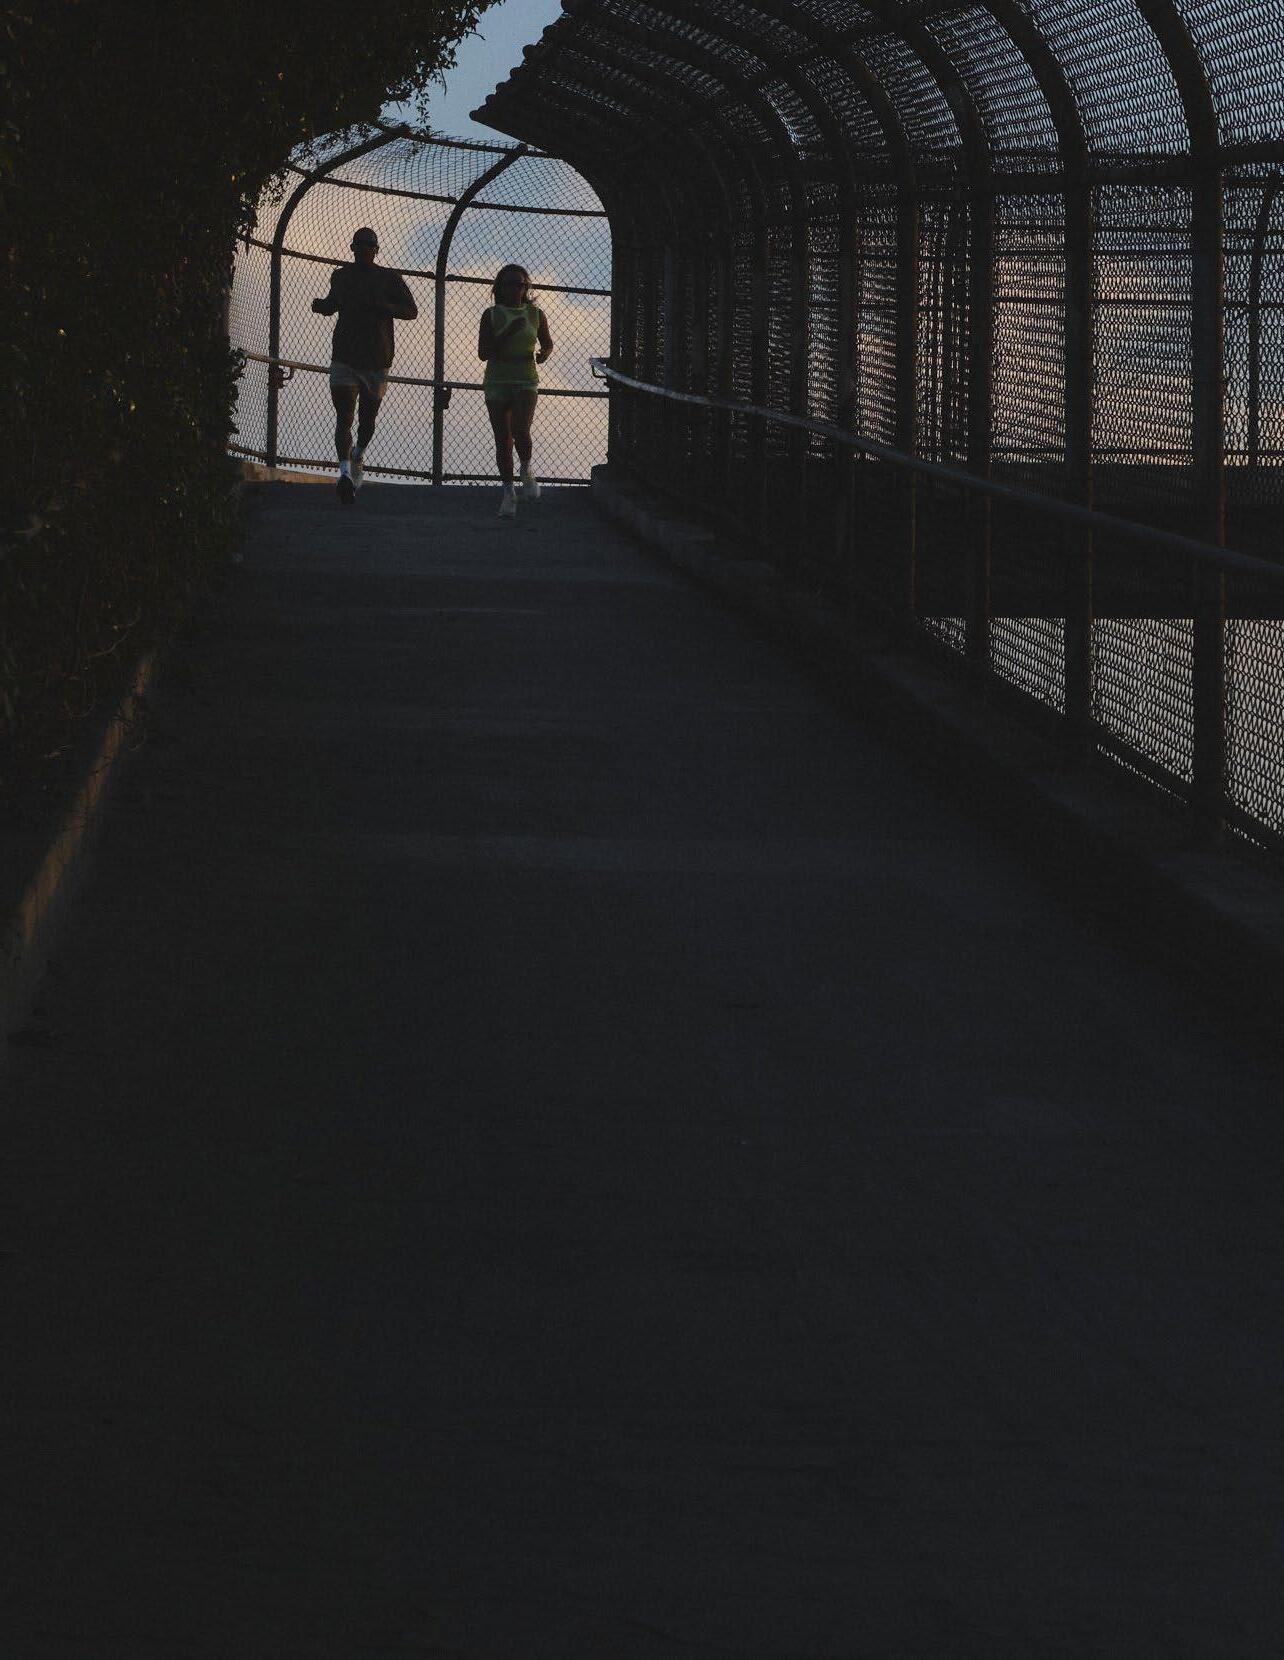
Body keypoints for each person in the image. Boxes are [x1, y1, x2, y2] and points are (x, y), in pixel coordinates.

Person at [311, 227, 417, 505]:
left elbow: (411, 311)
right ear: (352, 248)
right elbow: (333, 303)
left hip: (376, 359)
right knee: (344, 416)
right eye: (359, 245)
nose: (364, 249)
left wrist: (382, 305)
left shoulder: (389, 278)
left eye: (369, 245)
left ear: (376, 250)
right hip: (345, 356)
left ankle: (358, 453)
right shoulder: (341, 276)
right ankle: (345, 474)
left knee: (367, 420)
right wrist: (322, 305)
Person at [478, 264, 553, 518]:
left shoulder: (536, 314)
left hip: (525, 379)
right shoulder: (491, 315)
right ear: (500, 287)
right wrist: (507, 333)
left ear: (526, 288)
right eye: (509, 284)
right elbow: (483, 352)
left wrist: (544, 353)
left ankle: (526, 469)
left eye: (520, 285)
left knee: (521, 429)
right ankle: (508, 492)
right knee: (503, 440)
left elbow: (548, 343)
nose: (515, 290)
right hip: (497, 380)